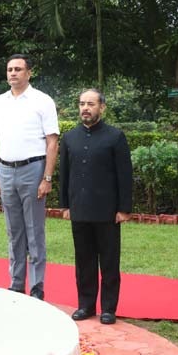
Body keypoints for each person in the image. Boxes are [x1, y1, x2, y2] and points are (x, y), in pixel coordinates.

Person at [0, 54, 59, 300]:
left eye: (18, 69)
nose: (13, 73)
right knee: (13, 230)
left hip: (33, 169)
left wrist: (47, 178)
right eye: (9, 69)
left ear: (29, 73)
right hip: (5, 170)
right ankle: (16, 283)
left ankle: (37, 286)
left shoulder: (42, 101)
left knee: (34, 230)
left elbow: (52, 142)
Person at [59, 89, 133, 325]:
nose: (85, 108)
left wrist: (124, 208)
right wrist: (65, 205)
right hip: (79, 209)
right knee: (84, 260)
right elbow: (65, 175)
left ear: (102, 107)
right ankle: (86, 305)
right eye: (82, 104)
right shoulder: (69, 138)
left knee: (109, 261)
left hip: (107, 210)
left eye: (90, 104)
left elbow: (125, 175)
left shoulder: (115, 136)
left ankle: (109, 308)